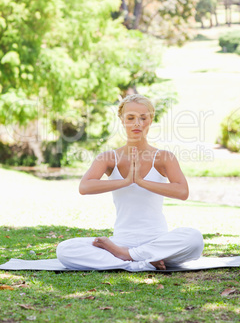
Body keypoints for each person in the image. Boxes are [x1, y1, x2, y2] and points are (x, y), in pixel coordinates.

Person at [56, 94, 204, 271]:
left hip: (158, 241)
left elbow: (182, 192)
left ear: (151, 120)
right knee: (65, 249)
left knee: (194, 239)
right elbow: (85, 187)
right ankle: (142, 261)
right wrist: (126, 181)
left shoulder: (164, 157)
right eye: (131, 118)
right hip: (120, 241)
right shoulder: (109, 158)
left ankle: (129, 257)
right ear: (122, 120)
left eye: (143, 118)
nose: (137, 123)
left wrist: (140, 181)